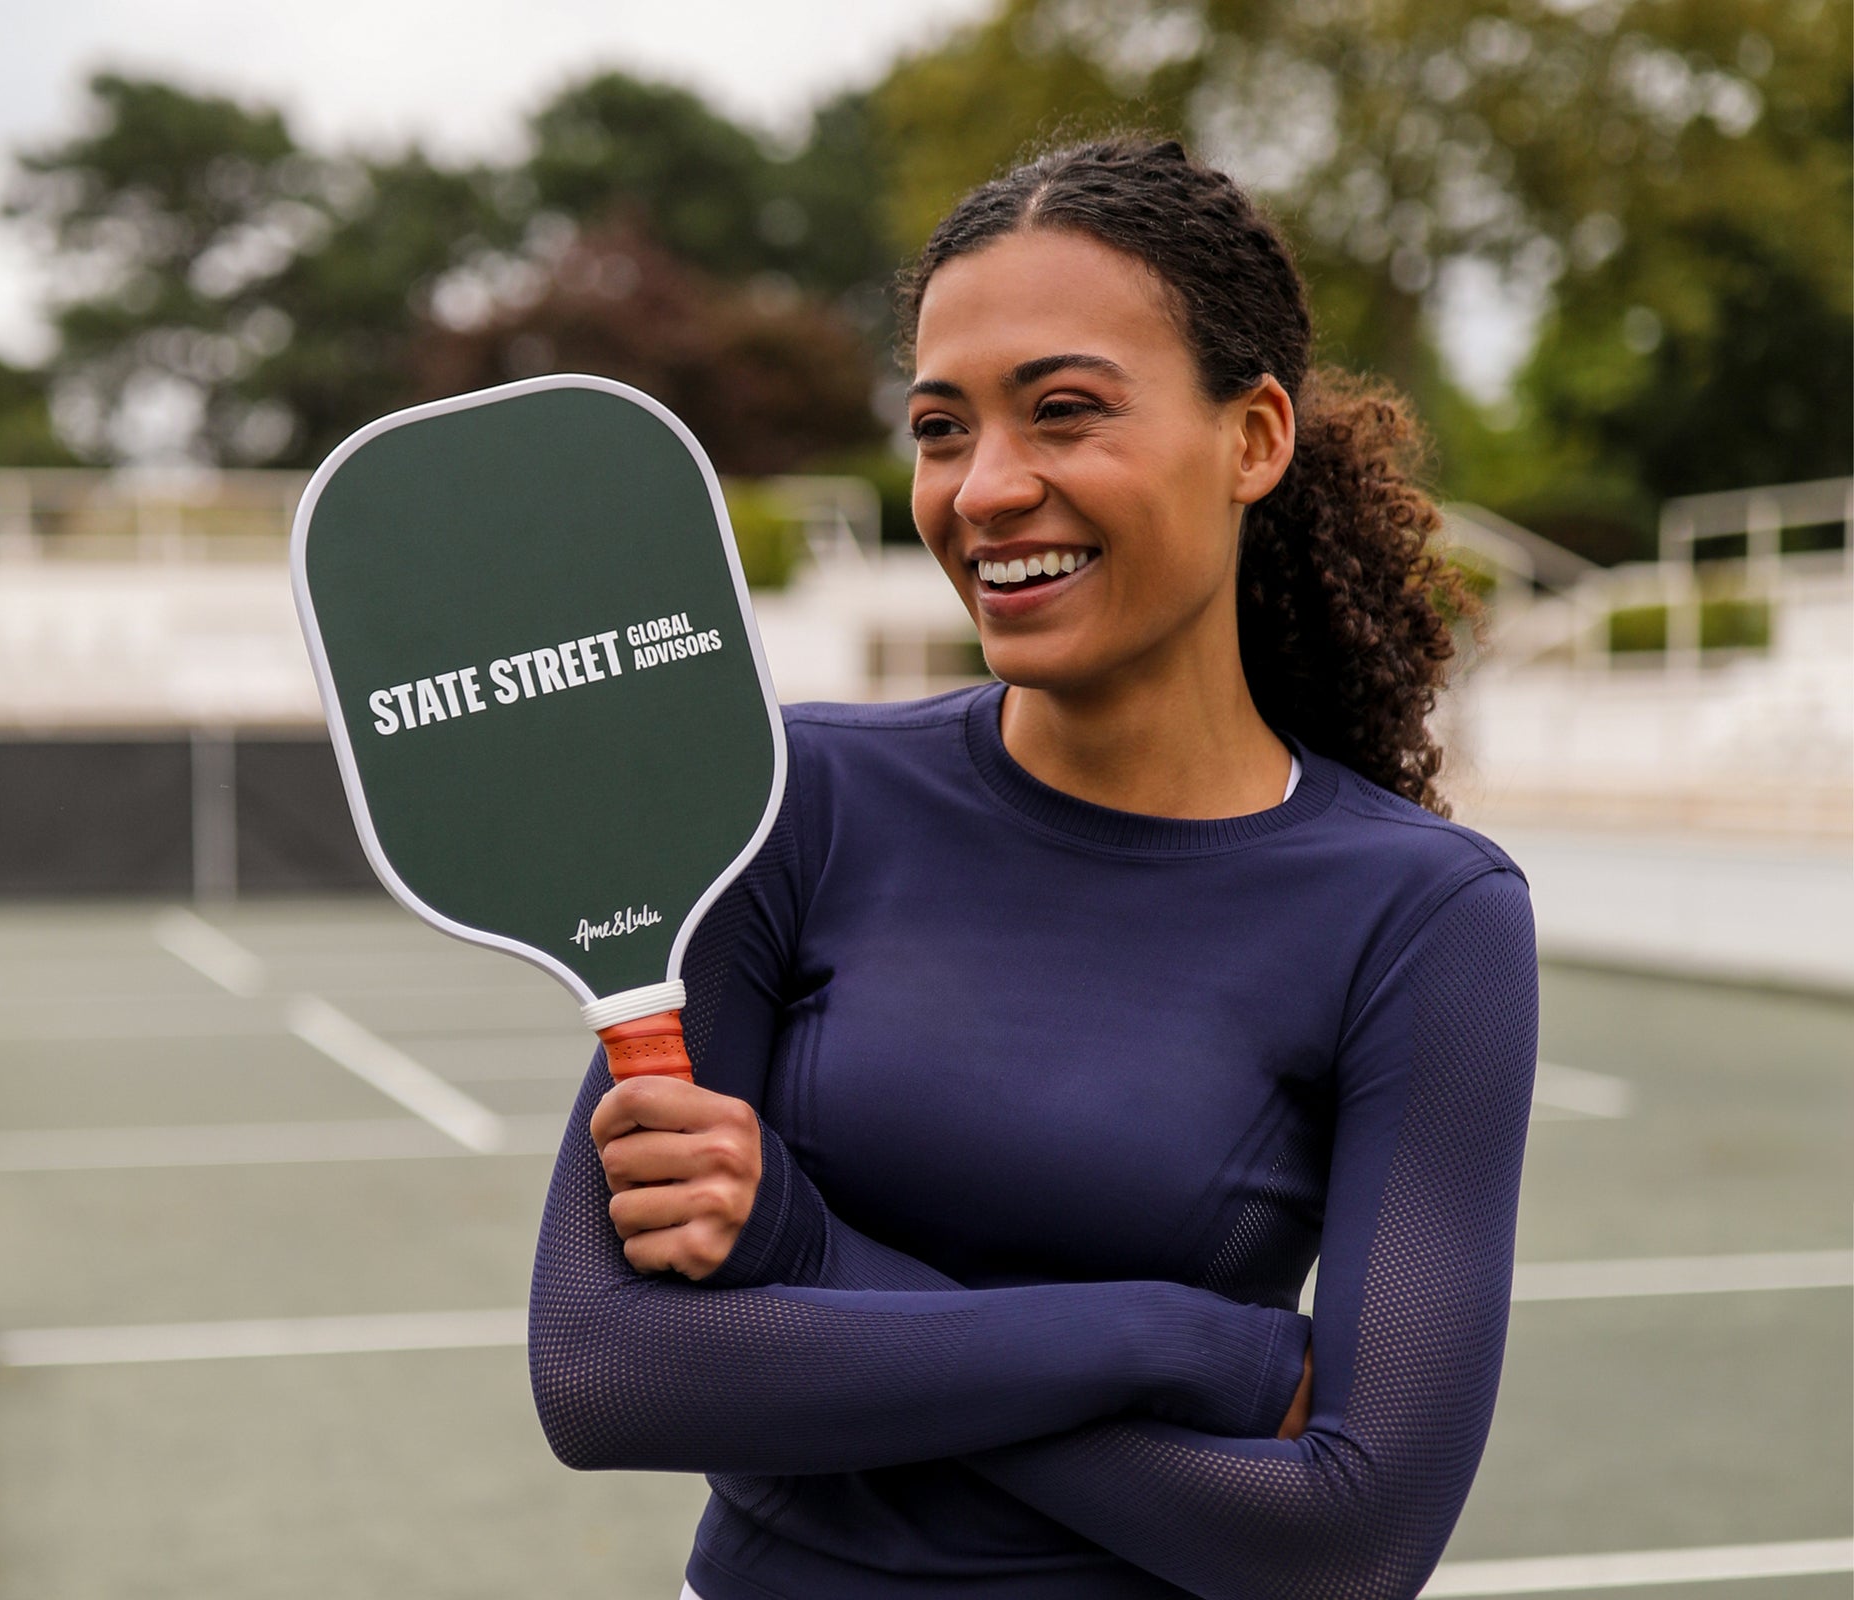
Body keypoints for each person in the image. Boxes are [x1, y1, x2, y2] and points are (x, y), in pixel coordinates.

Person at [526, 137, 1539, 1600]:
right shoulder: (787, 799)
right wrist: (1184, 1345)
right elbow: (609, 1371)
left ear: (1253, 439)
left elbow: (1348, 1539)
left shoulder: (1424, 918)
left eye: (1065, 413)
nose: (985, 489)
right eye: (942, 429)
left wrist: (804, 1257)